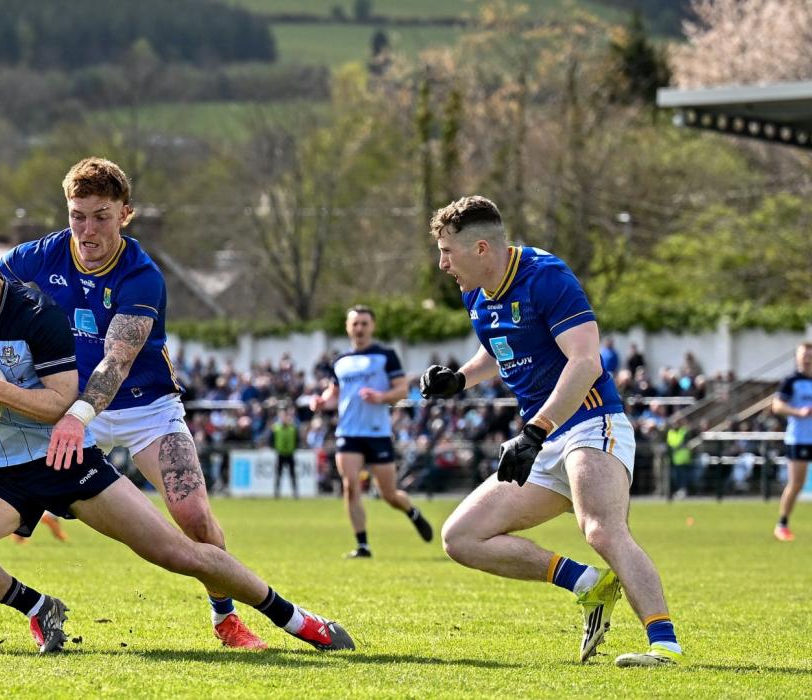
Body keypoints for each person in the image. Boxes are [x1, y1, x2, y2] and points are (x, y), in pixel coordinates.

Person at [0, 223, 354, 654]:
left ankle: (295, 619)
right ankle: (35, 609)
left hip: (65, 457)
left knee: (179, 551)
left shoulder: (38, 315)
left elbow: (59, 402)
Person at [0, 157, 265, 649]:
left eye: (101, 215)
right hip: (72, 407)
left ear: (125, 214)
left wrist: (76, 414)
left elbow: (115, 364)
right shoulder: (43, 255)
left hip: (145, 408)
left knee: (194, 517)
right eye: (77, 214)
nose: (86, 229)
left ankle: (227, 619)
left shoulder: (143, 275)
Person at [420, 195, 682, 667]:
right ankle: (587, 584)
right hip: (542, 437)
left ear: (481, 248)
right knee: (460, 537)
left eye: (447, 252)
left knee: (601, 529)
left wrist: (535, 431)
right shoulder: (475, 292)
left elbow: (585, 362)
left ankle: (664, 645)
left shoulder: (546, 276)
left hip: (590, 421)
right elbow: (499, 349)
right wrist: (461, 378)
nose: (441, 264)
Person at [310, 305, 434, 559]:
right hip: (348, 432)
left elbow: (401, 390)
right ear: (347, 327)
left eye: (364, 323)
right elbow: (334, 395)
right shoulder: (340, 362)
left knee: (389, 494)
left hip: (377, 433)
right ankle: (363, 545)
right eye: (355, 323)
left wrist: (381, 397)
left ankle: (412, 511)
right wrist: (322, 402)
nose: (359, 328)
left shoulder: (385, 356)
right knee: (351, 486)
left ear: (372, 326)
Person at [771, 341, 812, 542]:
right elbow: (777, 406)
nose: (807, 358)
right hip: (799, 439)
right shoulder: (791, 381)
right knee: (797, 484)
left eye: (810, 355)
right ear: (797, 357)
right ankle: (782, 524)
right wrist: (798, 412)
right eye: (804, 355)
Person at [271, 407, 299, 499]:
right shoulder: (276, 428)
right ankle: (276, 493)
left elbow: (296, 440)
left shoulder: (293, 429)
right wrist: (275, 448)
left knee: (293, 475)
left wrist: (294, 448)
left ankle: (295, 493)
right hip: (280, 454)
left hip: (290, 454)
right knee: (278, 475)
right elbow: (272, 440)